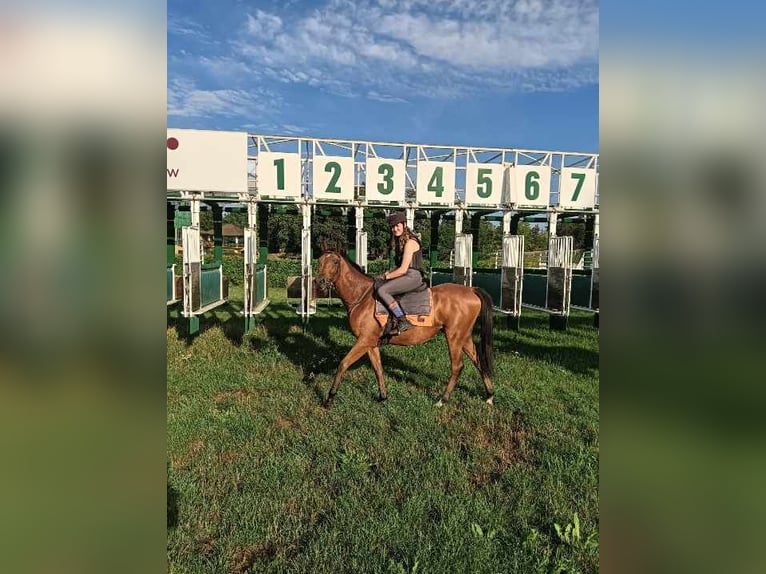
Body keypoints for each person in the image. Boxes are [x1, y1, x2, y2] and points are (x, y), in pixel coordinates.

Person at [375, 211, 425, 334]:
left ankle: (402, 320)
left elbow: (402, 270)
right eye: (393, 227)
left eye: (397, 225)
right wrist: (387, 273)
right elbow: (399, 267)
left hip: (413, 276)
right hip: (408, 275)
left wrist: (386, 276)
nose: (395, 229)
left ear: (404, 225)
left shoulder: (410, 243)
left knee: (382, 290)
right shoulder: (402, 242)